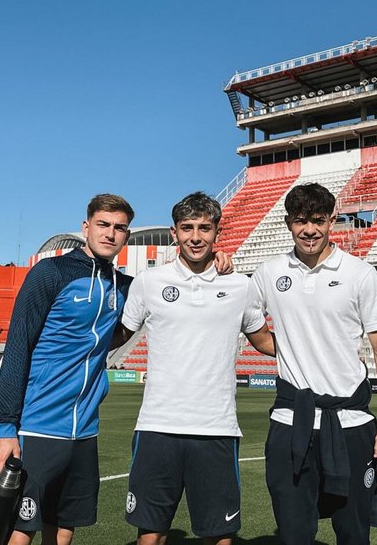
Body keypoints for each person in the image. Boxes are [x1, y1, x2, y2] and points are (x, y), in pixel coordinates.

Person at [117, 192, 276, 545]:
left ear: (217, 232)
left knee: (219, 534)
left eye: (204, 228)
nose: (195, 236)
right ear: (174, 232)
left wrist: (325, 350)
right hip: (158, 425)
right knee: (151, 533)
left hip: (216, 427)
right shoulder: (149, 282)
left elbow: (264, 340)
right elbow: (118, 334)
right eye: (187, 228)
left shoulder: (239, 285)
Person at [251, 182, 377, 545]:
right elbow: (252, 328)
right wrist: (288, 349)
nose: (310, 230)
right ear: (288, 222)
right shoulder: (268, 273)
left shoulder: (360, 273)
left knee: (353, 535)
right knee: (294, 536)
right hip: (291, 422)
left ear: (332, 220)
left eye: (318, 220)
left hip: (351, 425)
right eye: (301, 221)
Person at [0, 194, 135, 545]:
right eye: (103, 224)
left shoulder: (126, 287)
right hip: (39, 425)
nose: (110, 233)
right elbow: (18, 348)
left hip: (85, 430)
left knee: (64, 524)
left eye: (120, 228)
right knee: (22, 528)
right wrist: (6, 429)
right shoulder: (50, 273)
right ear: (86, 227)